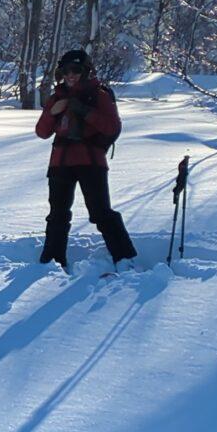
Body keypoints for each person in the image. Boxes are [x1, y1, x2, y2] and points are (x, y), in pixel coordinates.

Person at [35, 47, 138, 268]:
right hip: (60, 163)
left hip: (91, 161)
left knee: (101, 212)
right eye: (65, 71)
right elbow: (42, 132)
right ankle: (51, 261)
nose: (70, 75)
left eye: (76, 70)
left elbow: (112, 127)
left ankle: (125, 259)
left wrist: (84, 111)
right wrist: (52, 112)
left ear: (85, 70)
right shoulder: (57, 98)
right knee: (58, 215)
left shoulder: (99, 95)